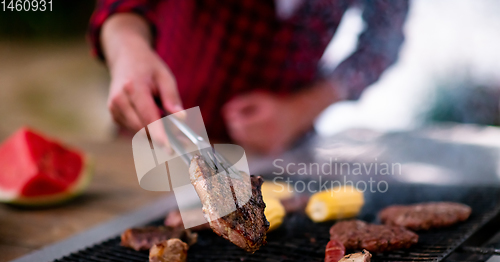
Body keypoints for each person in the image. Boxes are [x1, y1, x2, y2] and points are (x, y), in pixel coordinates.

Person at [89, 0, 409, 155]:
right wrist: (127, 47)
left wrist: (299, 111)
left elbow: (382, 42)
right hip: (163, 133)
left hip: (280, 152)